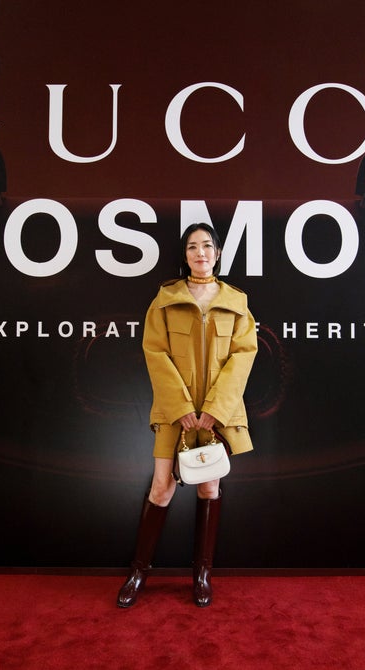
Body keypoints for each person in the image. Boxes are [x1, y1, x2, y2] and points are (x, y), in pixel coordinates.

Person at [117, 222, 258, 608]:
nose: (200, 253)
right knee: (161, 487)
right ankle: (138, 572)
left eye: (207, 246)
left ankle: (202, 575)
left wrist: (214, 410)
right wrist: (181, 408)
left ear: (217, 253)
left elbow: (243, 356)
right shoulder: (165, 299)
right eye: (193, 246)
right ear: (185, 254)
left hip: (218, 413)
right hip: (173, 410)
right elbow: (155, 353)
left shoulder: (236, 301)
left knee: (209, 488)